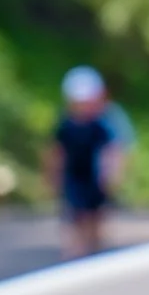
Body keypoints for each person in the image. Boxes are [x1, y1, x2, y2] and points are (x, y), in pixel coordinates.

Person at [47, 66, 127, 258]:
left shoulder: (100, 125)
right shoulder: (66, 125)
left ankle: (94, 245)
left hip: (94, 176)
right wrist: (53, 174)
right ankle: (78, 247)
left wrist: (113, 173)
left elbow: (112, 149)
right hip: (73, 175)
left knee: (95, 213)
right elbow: (56, 151)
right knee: (75, 212)